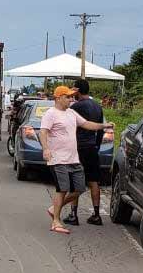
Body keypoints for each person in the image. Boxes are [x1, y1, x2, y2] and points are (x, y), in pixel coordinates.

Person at [40, 86, 113, 234]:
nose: (71, 99)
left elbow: (86, 124)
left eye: (71, 97)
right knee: (62, 189)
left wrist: (103, 125)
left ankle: (54, 209)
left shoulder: (71, 112)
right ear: (58, 98)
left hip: (73, 158)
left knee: (79, 189)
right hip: (58, 159)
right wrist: (46, 149)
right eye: (67, 97)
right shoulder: (51, 114)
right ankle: (56, 221)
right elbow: (43, 131)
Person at [65, 79, 106, 226]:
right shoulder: (97, 106)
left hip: (78, 148)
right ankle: (96, 215)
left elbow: (70, 128)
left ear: (78, 90)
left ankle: (73, 215)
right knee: (94, 181)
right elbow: (100, 128)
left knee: (75, 180)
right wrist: (97, 146)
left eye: (74, 90)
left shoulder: (76, 107)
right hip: (92, 148)